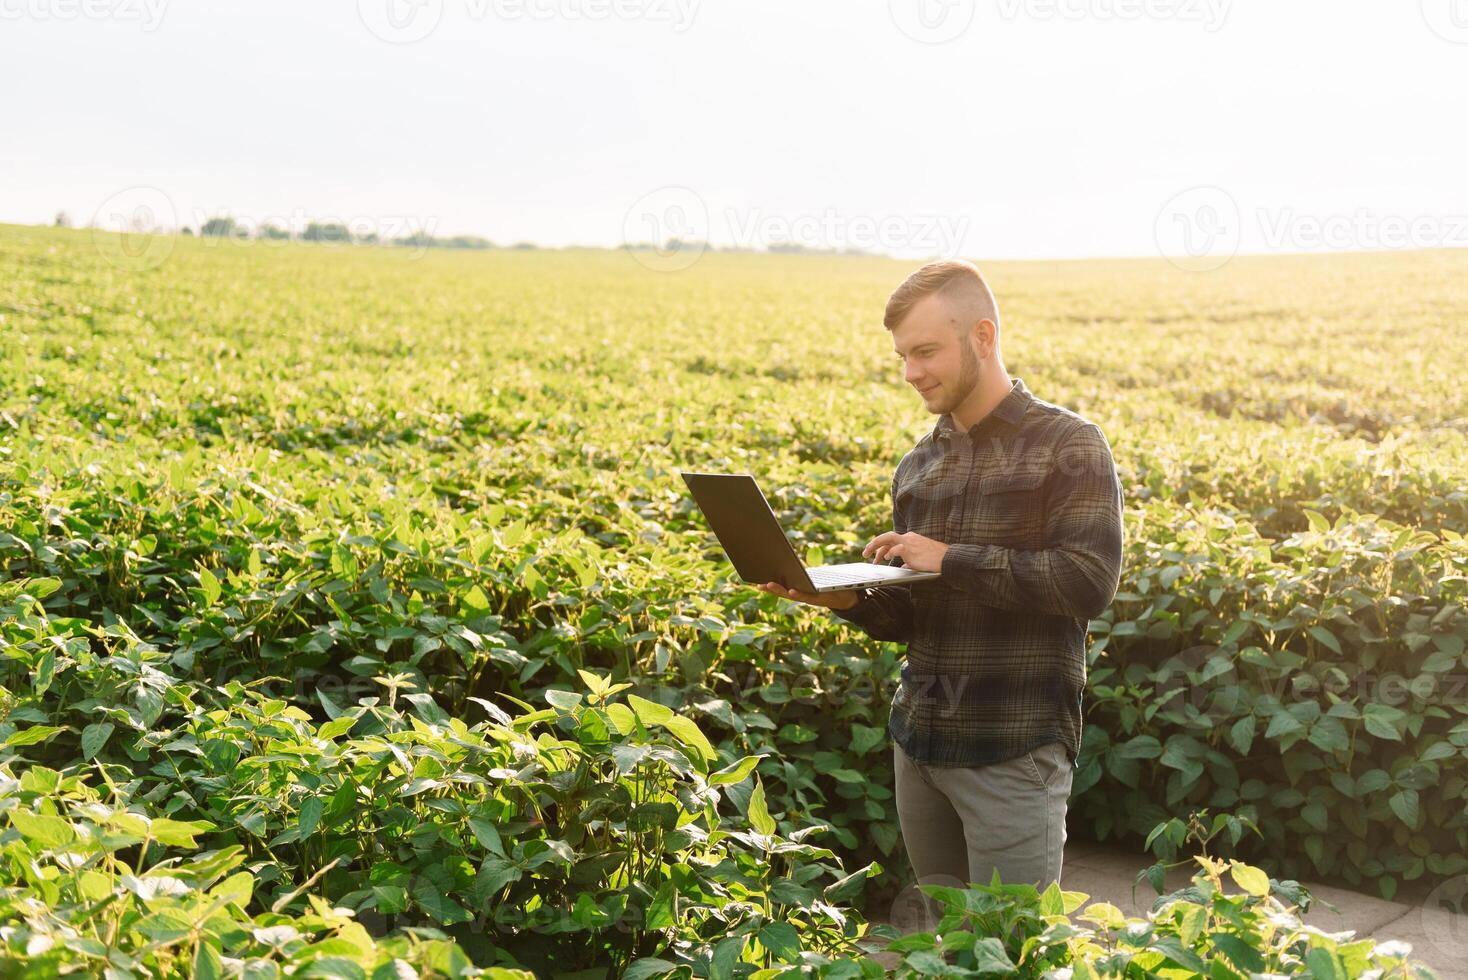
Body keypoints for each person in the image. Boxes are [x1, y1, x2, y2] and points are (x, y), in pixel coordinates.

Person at [757, 259, 1123, 927]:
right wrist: (840, 598)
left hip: (1013, 750)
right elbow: (911, 617)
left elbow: (1087, 582)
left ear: (982, 337)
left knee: (1013, 954)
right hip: (919, 746)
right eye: (901, 356)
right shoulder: (918, 466)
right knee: (947, 949)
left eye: (925, 351)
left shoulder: (1068, 446)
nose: (911, 372)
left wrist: (951, 558)